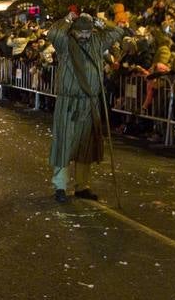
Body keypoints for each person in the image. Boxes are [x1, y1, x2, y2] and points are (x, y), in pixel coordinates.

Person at [47, 12, 126, 202]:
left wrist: (101, 22)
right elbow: (53, 33)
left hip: (90, 102)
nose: (84, 35)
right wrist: (66, 19)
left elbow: (118, 31)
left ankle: (82, 186)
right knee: (64, 143)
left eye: (87, 31)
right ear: (73, 30)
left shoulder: (98, 41)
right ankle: (60, 186)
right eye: (80, 31)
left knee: (86, 146)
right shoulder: (65, 43)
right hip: (69, 102)